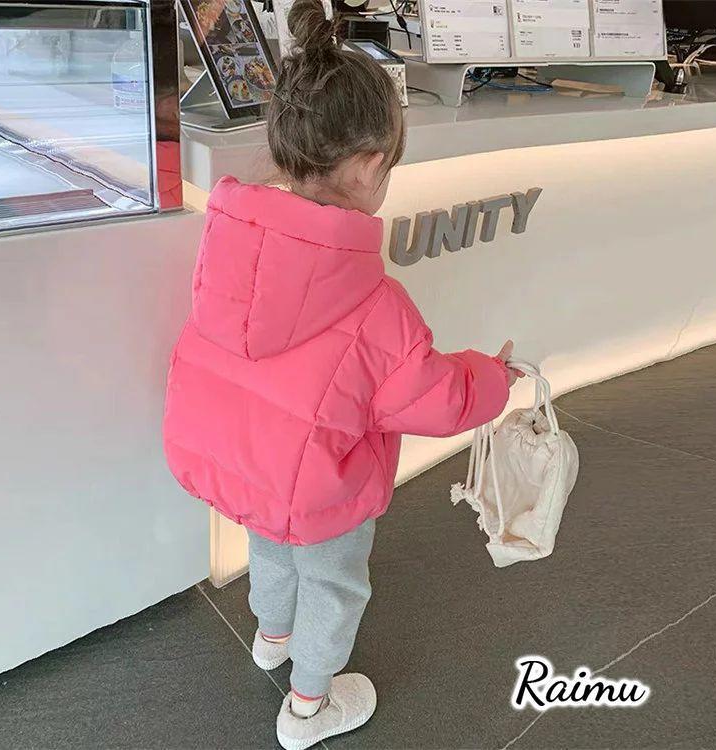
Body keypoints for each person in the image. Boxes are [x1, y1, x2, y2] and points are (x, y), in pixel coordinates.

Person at [163, 1, 523, 746]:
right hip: (324, 485)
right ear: (366, 165)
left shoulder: (229, 246)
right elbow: (435, 398)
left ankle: (270, 637)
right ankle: (308, 707)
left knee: (271, 547)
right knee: (332, 583)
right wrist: (494, 375)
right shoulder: (376, 305)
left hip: (250, 468)